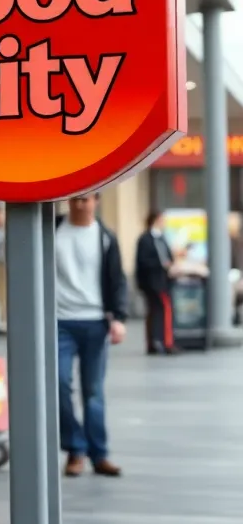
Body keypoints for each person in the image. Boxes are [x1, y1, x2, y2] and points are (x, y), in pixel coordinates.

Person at [55, 192, 128, 478]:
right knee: (59, 384)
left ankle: (99, 454)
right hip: (59, 322)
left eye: (85, 199)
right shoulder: (53, 230)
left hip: (95, 322)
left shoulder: (105, 237)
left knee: (94, 391)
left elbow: (117, 279)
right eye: (74, 199)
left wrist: (118, 318)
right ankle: (75, 448)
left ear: (96, 201)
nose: (79, 204)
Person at [135, 211, 177, 355]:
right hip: (153, 281)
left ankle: (155, 342)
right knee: (164, 309)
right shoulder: (145, 239)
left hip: (163, 279)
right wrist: (161, 264)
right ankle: (165, 342)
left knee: (156, 311)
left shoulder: (162, 238)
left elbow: (169, 256)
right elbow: (142, 261)